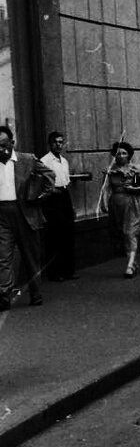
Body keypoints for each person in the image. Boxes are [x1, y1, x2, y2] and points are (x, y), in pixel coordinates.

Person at [0, 125, 54, 310]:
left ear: (12, 143)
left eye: (3, 145)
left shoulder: (27, 159)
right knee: (2, 257)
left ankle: (36, 293)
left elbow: (50, 176)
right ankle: (4, 295)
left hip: (26, 214)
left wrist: (40, 197)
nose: (1, 150)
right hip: (2, 215)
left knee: (31, 257)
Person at [101, 140, 140, 278]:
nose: (121, 156)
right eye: (118, 153)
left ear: (129, 155)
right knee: (123, 234)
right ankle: (132, 261)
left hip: (132, 203)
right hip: (116, 204)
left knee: (130, 233)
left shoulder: (135, 169)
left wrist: (134, 188)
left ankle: (129, 266)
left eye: (124, 153)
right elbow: (105, 188)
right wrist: (103, 203)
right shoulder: (111, 170)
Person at [39, 131, 81, 281]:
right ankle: (55, 272)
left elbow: (67, 182)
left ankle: (69, 270)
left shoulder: (64, 161)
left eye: (61, 142)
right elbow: (41, 183)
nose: (59, 145)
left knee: (68, 233)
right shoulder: (44, 161)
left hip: (64, 196)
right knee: (54, 235)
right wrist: (51, 191)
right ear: (50, 144)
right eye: (56, 142)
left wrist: (72, 205)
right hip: (52, 199)